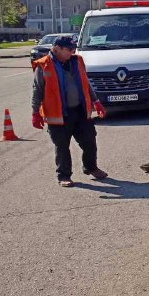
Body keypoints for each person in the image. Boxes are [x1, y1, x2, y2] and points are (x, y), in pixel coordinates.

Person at [31, 35, 108, 187]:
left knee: (89, 141)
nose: (72, 52)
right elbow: (37, 91)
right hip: (58, 115)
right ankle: (64, 176)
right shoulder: (43, 65)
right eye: (69, 49)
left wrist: (96, 101)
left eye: (73, 49)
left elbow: (86, 83)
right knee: (62, 147)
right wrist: (35, 113)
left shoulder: (77, 61)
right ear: (57, 48)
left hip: (80, 111)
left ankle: (91, 167)